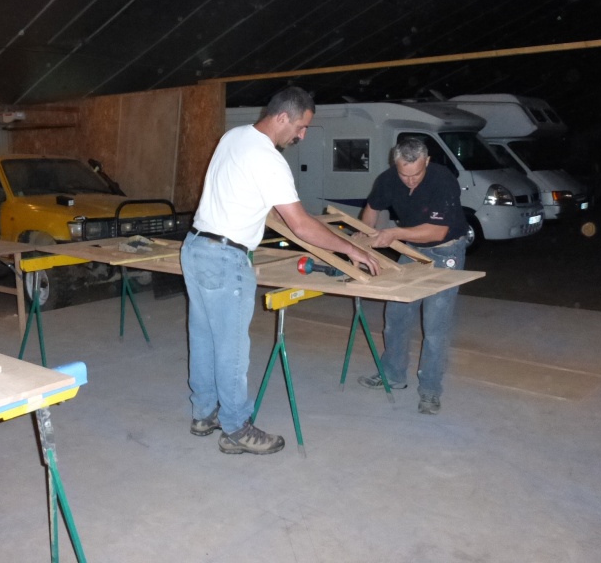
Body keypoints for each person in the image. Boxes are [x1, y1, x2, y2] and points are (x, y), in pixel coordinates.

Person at [181, 87, 380, 455]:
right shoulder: (269, 159)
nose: (302, 135)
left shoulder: (234, 137)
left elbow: (259, 206)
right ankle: (237, 427)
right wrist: (351, 248)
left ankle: (203, 413)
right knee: (232, 348)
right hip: (225, 258)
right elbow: (301, 225)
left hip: (196, 248)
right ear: (283, 117)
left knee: (206, 337)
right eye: (302, 127)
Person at [357, 137, 468, 414]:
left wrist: (393, 233)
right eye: (403, 173)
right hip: (412, 250)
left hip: (446, 252)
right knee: (396, 315)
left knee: (435, 327)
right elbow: (371, 210)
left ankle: (430, 390)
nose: (409, 180)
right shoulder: (388, 179)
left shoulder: (443, 180)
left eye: (415, 173)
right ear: (395, 164)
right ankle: (393, 375)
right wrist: (359, 242)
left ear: (427, 162)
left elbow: (437, 231)